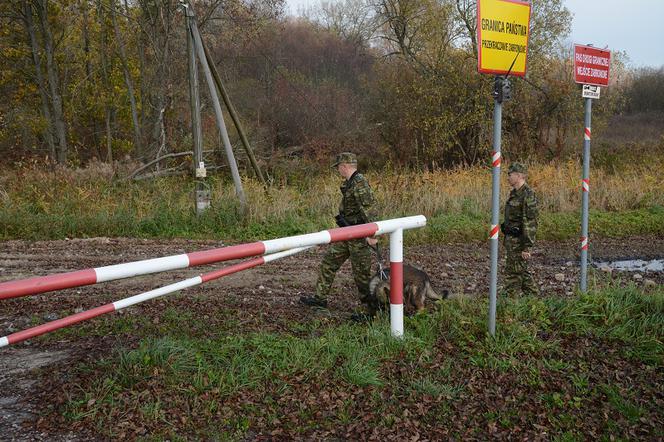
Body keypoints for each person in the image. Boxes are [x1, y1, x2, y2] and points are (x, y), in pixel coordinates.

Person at [300, 152, 379, 320]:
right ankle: (319, 299)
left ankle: (371, 312)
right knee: (328, 263)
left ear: (344, 166)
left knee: (362, 275)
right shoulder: (350, 183)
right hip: (347, 233)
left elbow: (370, 210)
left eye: (338, 168)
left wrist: (372, 235)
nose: (338, 171)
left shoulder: (360, 183)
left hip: (359, 235)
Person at [501, 162, 539, 297]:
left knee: (514, 273)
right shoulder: (514, 193)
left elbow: (530, 222)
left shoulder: (527, 195)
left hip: (519, 241)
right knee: (520, 270)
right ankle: (534, 300)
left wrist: (527, 247)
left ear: (518, 176)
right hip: (511, 240)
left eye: (510, 175)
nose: (508, 177)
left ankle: (511, 303)